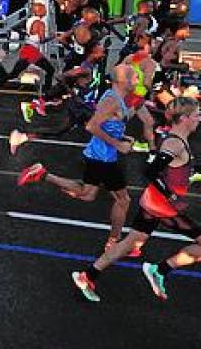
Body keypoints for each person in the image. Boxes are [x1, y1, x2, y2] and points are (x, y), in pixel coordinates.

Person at [71, 97, 201, 302]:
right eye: (197, 115)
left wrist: (197, 170)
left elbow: (172, 170)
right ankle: (160, 270)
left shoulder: (176, 139)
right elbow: (151, 171)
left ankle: (87, 275)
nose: (200, 119)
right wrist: (171, 195)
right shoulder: (175, 143)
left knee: (130, 243)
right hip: (164, 207)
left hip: (153, 202)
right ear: (185, 118)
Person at [18, 64, 154, 253]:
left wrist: (125, 135)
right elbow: (92, 126)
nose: (137, 80)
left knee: (87, 194)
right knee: (123, 200)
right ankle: (114, 243)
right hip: (103, 158)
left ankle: (42, 173)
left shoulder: (117, 99)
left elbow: (112, 123)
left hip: (100, 155)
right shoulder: (111, 101)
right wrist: (118, 144)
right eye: (133, 77)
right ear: (122, 81)